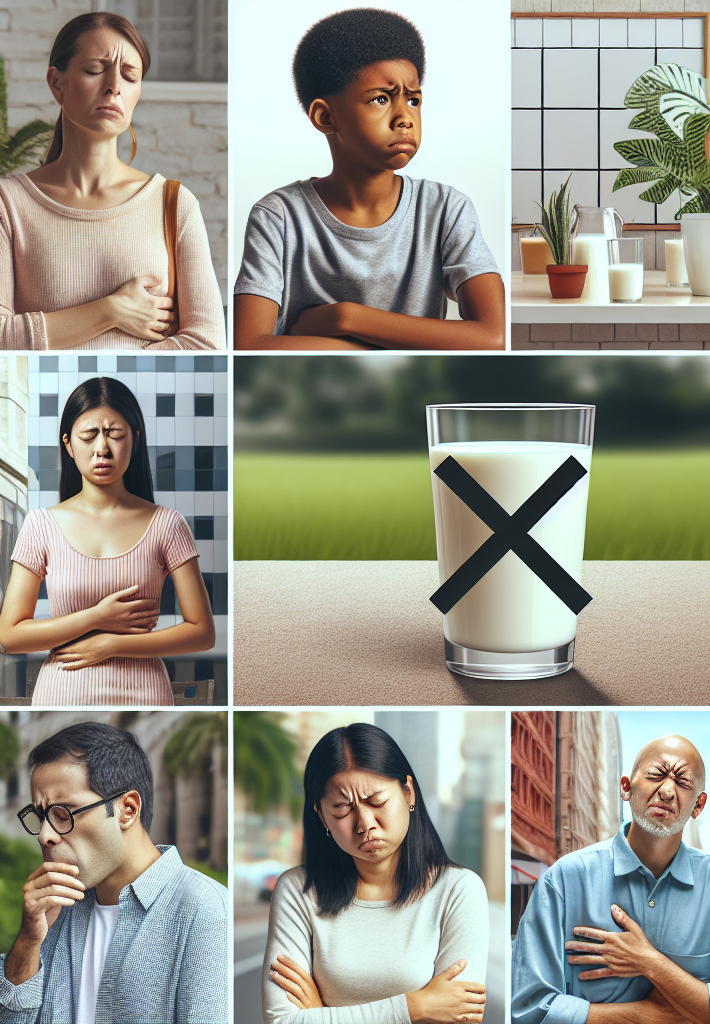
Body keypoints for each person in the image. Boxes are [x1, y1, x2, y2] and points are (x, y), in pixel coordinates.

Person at [234, 8, 504, 351]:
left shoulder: (446, 209)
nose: (405, 117)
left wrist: (345, 318)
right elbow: (248, 346)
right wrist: (387, 352)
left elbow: (494, 336)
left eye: (413, 99)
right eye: (381, 98)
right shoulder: (279, 217)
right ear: (325, 116)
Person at [511, 734, 710, 1024]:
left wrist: (651, 963)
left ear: (698, 805)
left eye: (683, 782)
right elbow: (528, 1010)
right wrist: (643, 1016)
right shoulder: (563, 881)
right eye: (656, 774)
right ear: (626, 788)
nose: (667, 791)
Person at [0, 12, 224, 350]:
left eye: (129, 76)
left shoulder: (175, 203)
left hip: (137, 404)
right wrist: (112, 310)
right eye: (94, 70)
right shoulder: (8, 203)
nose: (114, 87)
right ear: (57, 83)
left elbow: (206, 344)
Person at [0, 377, 215, 704]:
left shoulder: (167, 524)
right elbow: (10, 635)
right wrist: (97, 617)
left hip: (144, 694)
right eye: (89, 435)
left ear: (135, 439)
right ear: (69, 445)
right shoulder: (41, 525)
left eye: (115, 434)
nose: (102, 448)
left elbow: (202, 632)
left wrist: (111, 644)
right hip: (62, 693)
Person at [262, 723, 489, 1023]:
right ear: (322, 816)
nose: (365, 823)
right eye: (342, 808)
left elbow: (461, 1018)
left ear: (408, 793)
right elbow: (280, 1021)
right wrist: (415, 1007)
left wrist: (321, 1015)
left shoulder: (459, 891)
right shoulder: (297, 890)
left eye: (376, 801)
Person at [0, 722, 227, 1022]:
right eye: (42, 816)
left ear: (127, 810)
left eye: (62, 813)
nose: (45, 835)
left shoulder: (202, 909)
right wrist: (29, 941)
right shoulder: (55, 908)